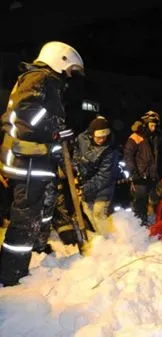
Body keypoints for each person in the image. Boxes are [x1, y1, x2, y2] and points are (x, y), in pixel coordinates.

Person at [0, 41, 84, 286]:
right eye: (71, 69)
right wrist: (55, 132)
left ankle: (34, 250)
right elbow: (24, 114)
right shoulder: (39, 78)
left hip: (35, 163)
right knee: (24, 221)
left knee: (37, 215)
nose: (70, 75)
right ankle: (10, 274)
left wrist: (58, 145)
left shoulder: (48, 82)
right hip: (27, 163)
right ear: (61, 60)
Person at [73, 116, 118, 235]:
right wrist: (76, 167)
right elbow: (76, 153)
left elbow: (104, 176)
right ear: (92, 134)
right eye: (98, 137)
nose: (101, 140)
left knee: (98, 213)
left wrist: (84, 189)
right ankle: (101, 236)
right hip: (85, 180)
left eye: (104, 137)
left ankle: (109, 242)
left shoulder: (110, 150)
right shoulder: (82, 139)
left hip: (104, 184)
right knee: (87, 210)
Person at [124, 111, 162, 226]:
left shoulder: (157, 136)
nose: (154, 127)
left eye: (156, 125)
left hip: (153, 175)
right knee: (140, 202)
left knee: (155, 201)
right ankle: (139, 226)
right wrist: (133, 171)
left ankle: (154, 224)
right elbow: (128, 155)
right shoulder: (136, 136)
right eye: (152, 125)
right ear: (146, 123)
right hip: (139, 175)